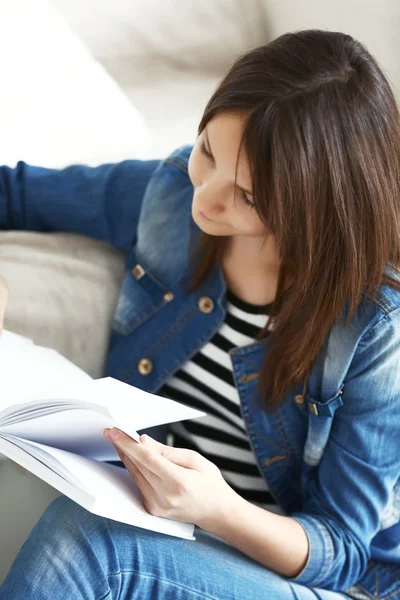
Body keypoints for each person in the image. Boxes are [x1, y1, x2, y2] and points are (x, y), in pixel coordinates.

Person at [0, 28, 399, 600]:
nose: (206, 198)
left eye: (250, 197)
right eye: (209, 151)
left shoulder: (374, 327)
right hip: (170, 533)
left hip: (318, 583)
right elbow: (15, 192)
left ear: (316, 205)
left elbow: (342, 552)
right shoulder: (168, 195)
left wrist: (219, 510)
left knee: (90, 544)